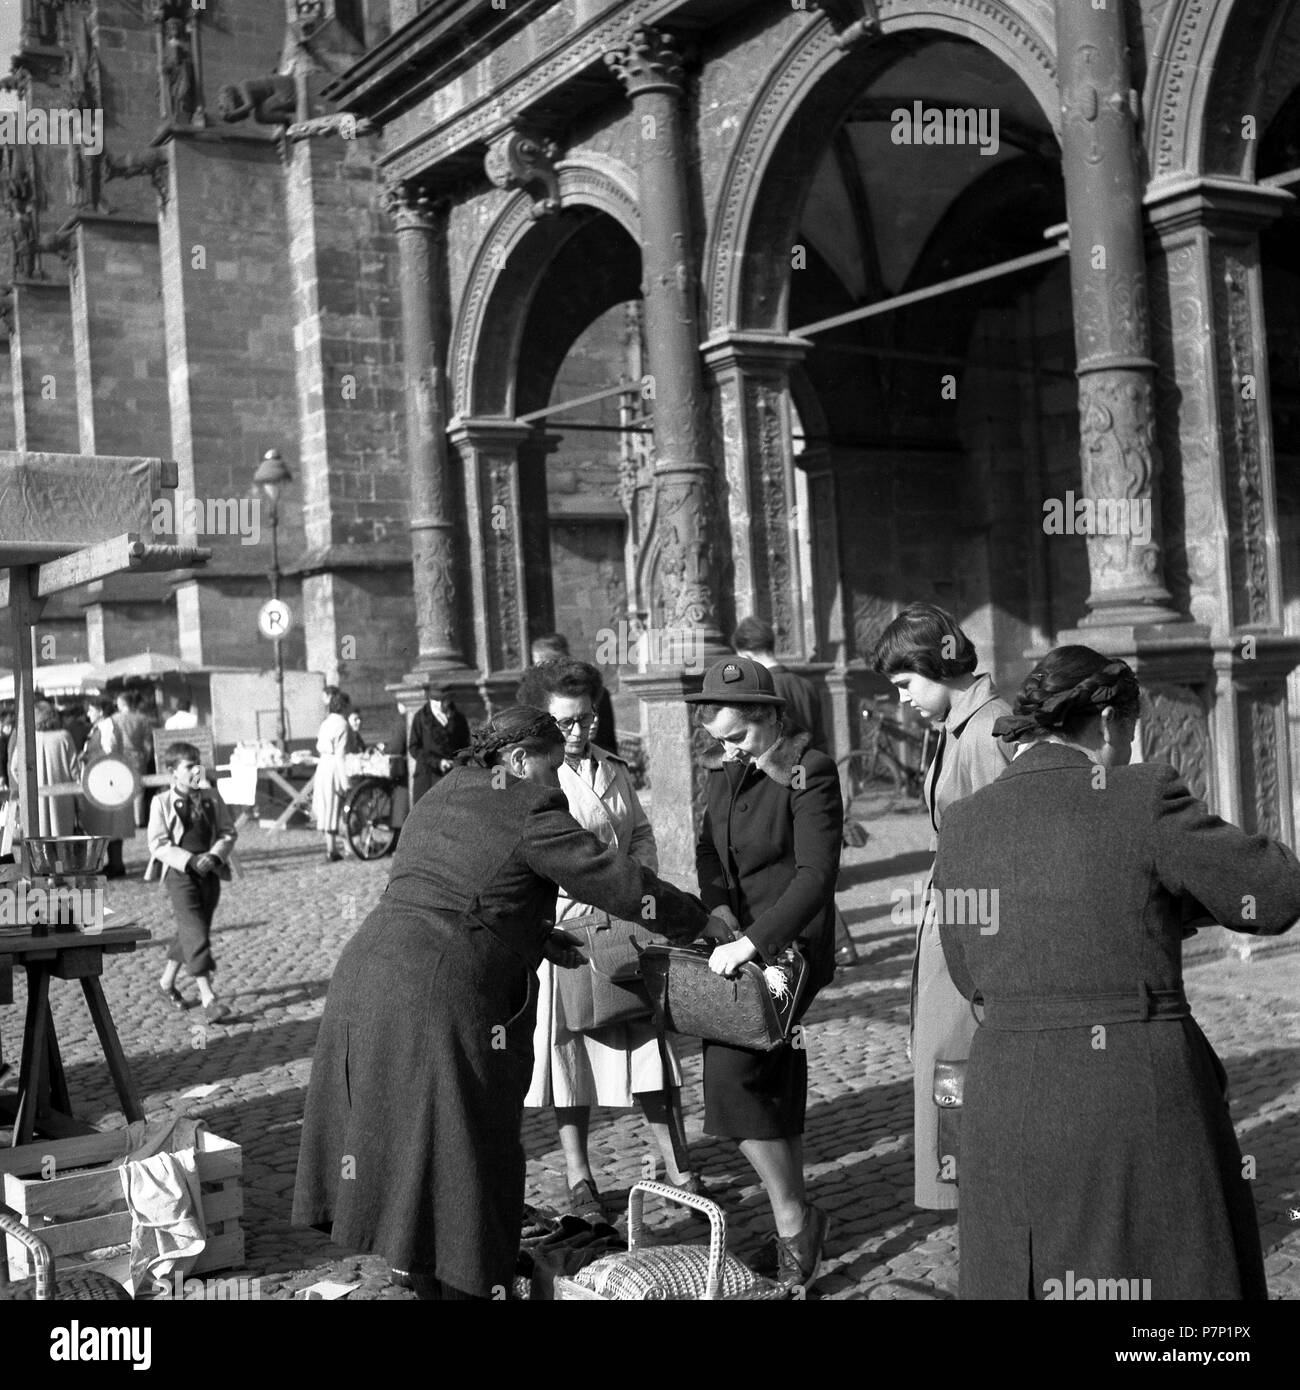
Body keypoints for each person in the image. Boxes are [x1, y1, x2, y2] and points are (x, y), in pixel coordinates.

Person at [292, 706, 713, 1300]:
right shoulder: (529, 806)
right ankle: (466, 1282)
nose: (558, 777)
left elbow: (464, 886)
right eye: (552, 764)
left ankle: (423, 1270)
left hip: (367, 977)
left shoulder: (442, 792)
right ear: (517, 760)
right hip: (440, 993)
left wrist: (533, 935)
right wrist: (701, 922)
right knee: (465, 1143)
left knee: (400, 1134)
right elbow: (616, 879)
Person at [935, 646, 1300, 1300]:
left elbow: (969, 975)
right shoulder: (1141, 795)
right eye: (1130, 732)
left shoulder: (962, 822)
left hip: (1005, 1095)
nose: (1128, 749)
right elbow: (1274, 894)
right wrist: (1167, 899)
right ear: (1108, 721)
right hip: (1131, 1091)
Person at [519, 659, 703, 1218]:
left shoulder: (613, 768)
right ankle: (580, 1176)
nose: (580, 730)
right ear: (545, 723)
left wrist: (637, 878)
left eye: (588, 717)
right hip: (569, 935)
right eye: (567, 722)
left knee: (651, 1050)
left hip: (626, 928)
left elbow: (640, 831)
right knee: (569, 1057)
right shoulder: (539, 779)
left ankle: (679, 1166)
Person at [685, 656, 842, 1291]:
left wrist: (755, 941)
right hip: (736, 942)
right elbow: (707, 848)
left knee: (732, 1079)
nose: (729, 750)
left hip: (791, 948)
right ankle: (798, 1220)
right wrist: (719, 906)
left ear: (769, 717)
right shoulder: (724, 768)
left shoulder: (810, 772)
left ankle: (793, 1219)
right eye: (719, 740)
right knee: (769, 1074)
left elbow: (816, 875)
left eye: (739, 736)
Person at [871, 602, 1012, 1213]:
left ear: (939, 664)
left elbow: (1011, 847)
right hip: (953, 915)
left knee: (957, 1068)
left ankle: (980, 1201)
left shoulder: (989, 729)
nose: (903, 700)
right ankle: (971, 1197)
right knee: (946, 1069)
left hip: (974, 931)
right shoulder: (958, 725)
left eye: (906, 683)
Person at [145, 742, 239, 1024]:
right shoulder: (161, 802)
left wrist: (214, 856)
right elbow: (157, 843)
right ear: (173, 772)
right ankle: (209, 998)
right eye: (189, 766)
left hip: (209, 874)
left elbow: (228, 832)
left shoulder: (212, 797)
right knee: (196, 932)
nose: (196, 771)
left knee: (191, 930)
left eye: (198, 765)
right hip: (180, 876)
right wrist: (189, 860)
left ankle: (165, 983)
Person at [732, 616, 827, 752]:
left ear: (746, 656)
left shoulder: (759, 690)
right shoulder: (807, 686)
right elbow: (820, 741)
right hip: (810, 761)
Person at [533, 634, 618, 755]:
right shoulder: (537, 696)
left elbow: (608, 740)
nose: (537, 669)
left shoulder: (595, 692)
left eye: (542, 662)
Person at [9, 699, 80, 836]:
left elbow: (15, 769)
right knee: (63, 844)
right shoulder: (64, 737)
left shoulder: (26, 739)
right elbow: (75, 773)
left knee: (38, 844)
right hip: (63, 800)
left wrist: (27, 787)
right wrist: (79, 803)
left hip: (35, 801)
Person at [408, 683, 470, 803]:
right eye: (436, 701)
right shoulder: (420, 718)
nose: (440, 705)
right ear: (430, 700)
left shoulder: (459, 719)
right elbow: (414, 748)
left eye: (444, 701)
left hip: (452, 778)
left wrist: (457, 762)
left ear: (449, 700)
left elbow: (466, 746)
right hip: (427, 778)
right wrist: (438, 762)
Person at [312, 691, 351, 862]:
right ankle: (334, 849)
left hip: (323, 766)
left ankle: (331, 847)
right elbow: (340, 754)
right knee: (334, 806)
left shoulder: (326, 723)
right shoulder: (342, 724)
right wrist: (345, 781)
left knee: (326, 806)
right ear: (344, 706)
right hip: (334, 766)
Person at [112, 689, 156, 829]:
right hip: (138, 758)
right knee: (138, 791)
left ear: (122, 703)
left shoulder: (114, 719)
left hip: (120, 758)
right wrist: (146, 757)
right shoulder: (142, 719)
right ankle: (139, 820)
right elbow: (148, 743)